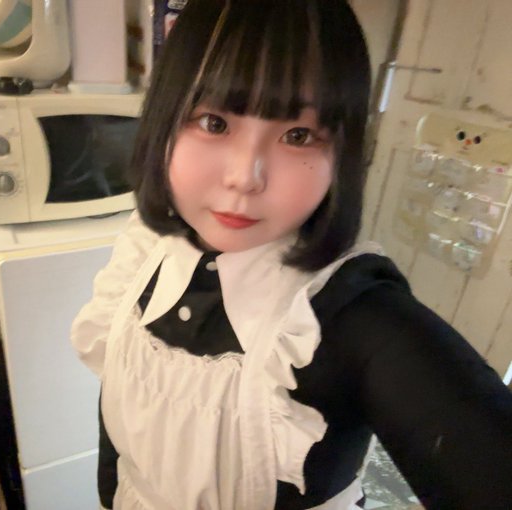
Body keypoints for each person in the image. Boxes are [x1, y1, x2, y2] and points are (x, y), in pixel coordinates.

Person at [71, 1, 512, 508]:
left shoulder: (348, 316)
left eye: (297, 136)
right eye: (214, 122)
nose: (245, 177)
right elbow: (119, 425)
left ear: (342, 154)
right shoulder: (146, 251)